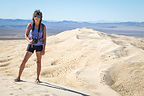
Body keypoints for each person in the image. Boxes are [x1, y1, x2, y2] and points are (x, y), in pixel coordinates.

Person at [15, 10, 46, 83]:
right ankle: (18, 77)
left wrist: (44, 49)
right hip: (31, 45)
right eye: (35, 16)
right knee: (24, 60)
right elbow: (25, 35)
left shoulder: (43, 26)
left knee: (38, 62)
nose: (37, 18)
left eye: (38, 16)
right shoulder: (30, 25)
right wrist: (29, 41)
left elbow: (44, 38)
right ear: (33, 17)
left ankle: (37, 78)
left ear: (41, 18)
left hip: (39, 45)